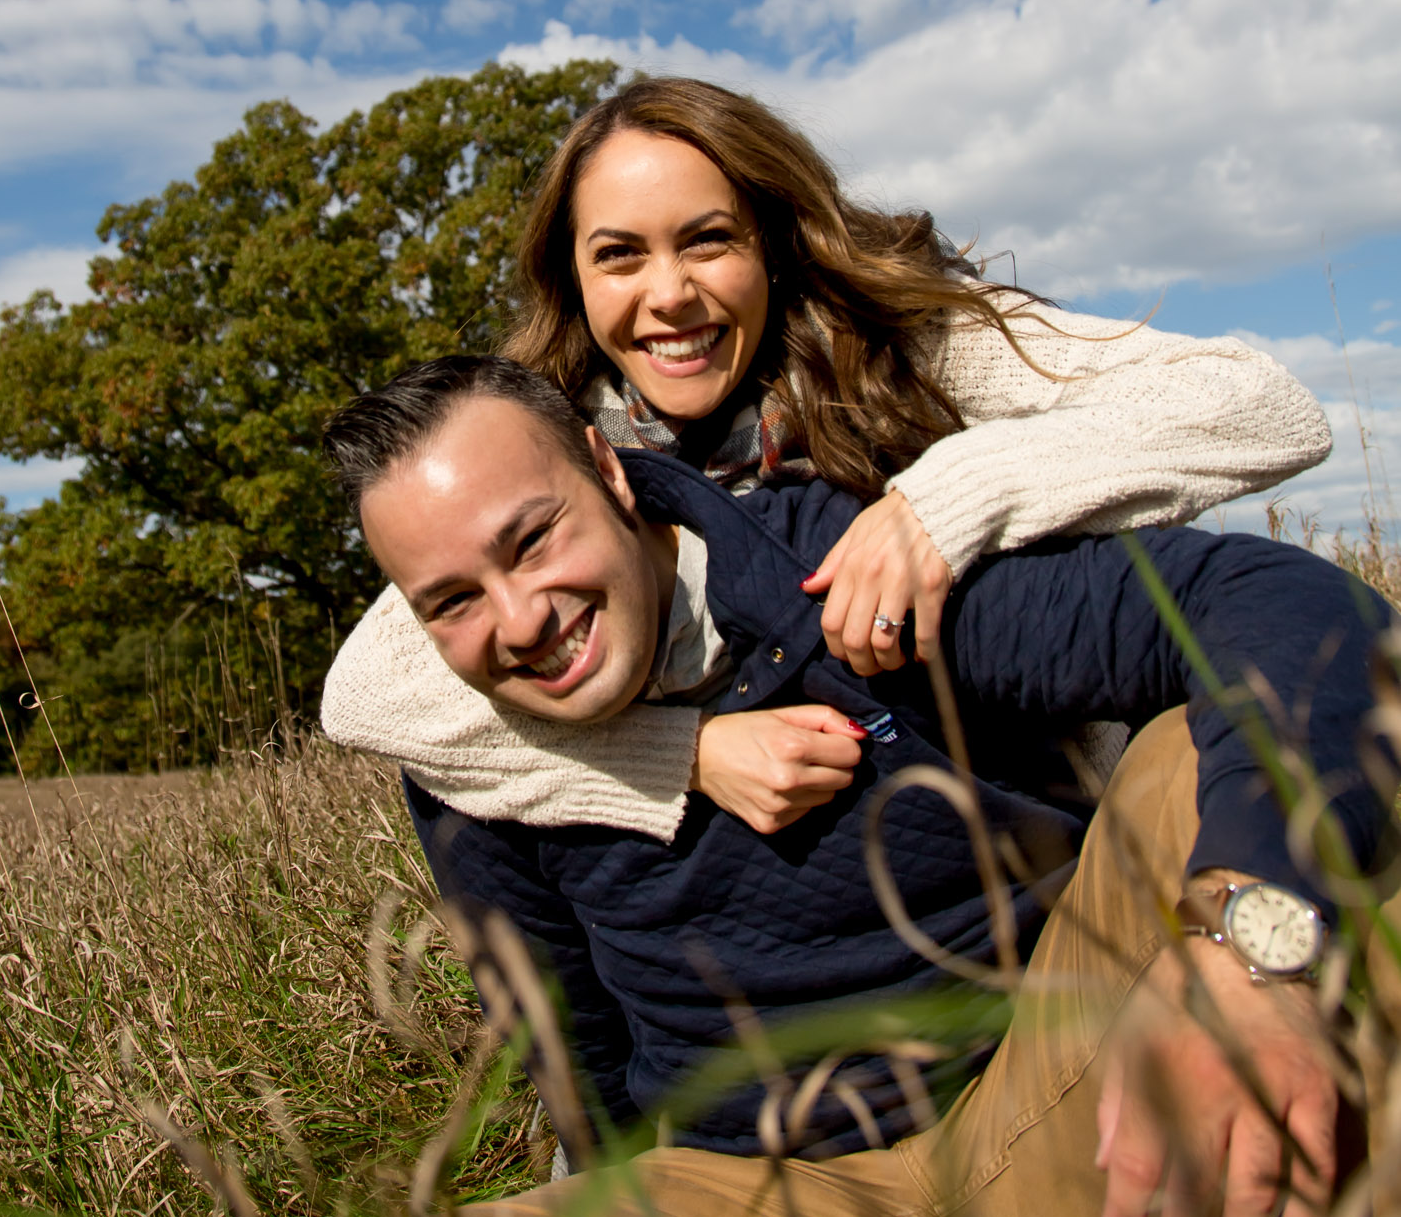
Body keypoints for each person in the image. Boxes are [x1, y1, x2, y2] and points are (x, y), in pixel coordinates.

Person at [301, 355, 1394, 1217]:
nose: (520, 621)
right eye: (451, 600)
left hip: (1047, 1097)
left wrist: (1250, 945)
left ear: (607, 468)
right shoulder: (475, 756)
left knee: (1206, 761)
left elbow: (1302, 616)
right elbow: (573, 1050)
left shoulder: (846, 577)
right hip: (772, 1209)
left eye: (532, 540)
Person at [321, 77, 1332, 842]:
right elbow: (366, 691)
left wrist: (947, 500)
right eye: (620, 255)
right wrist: (686, 755)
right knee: (456, 791)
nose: (666, 295)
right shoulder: (554, 437)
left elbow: (1261, 407)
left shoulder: (903, 348)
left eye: (708, 241)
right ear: (573, 276)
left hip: (1005, 803)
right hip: (748, 868)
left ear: (773, 239)